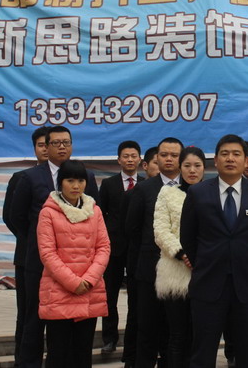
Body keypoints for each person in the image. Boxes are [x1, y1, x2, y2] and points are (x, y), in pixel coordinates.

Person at [180, 134, 248, 368]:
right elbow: (188, 237)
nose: (230, 159)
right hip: (208, 283)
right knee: (202, 353)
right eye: (225, 154)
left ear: (246, 160)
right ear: (216, 160)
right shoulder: (198, 192)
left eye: (236, 154)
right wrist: (205, 262)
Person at [10, 125, 99, 368]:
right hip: (40, 263)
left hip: (76, 267)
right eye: (56, 143)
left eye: (66, 143)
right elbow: (16, 217)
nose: (62, 147)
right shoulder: (29, 177)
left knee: (69, 322)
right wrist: (40, 243)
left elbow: (93, 214)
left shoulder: (86, 176)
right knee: (34, 319)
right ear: (46, 147)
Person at [36, 160, 110, 367]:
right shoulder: (48, 212)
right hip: (59, 290)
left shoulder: (94, 210)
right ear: (60, 183)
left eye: (80, 181)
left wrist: (89, 279)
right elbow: (47, 253)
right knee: (58, 353)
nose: (76, 186)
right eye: (70, 181)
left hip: (89, 288)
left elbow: (103, 247)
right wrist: (73, 282)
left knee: (83, 352)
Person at [126, 137, 184, 368]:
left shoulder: (191, 187)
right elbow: (131, 229)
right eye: (164, 155)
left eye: (174, 155)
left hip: (180, 271)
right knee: (147, 328)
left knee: (175, 329)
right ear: (156, 158)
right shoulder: (144, 189)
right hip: (149, 270)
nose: (168, 159)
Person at [153, 146, 206, 368]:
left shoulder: (211, 193)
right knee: (177, 335)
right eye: (187, 165)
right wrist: (182, 254)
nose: (192, 170)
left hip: (205, 272)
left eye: (197, 166)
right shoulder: (167, 193)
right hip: (175, 274)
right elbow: (161, 230)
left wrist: (201, 256)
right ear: (180, 167)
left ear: (204, 168)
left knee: (201, 335)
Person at [2, 125, 49, 368]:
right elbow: (12, 216)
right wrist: (32, 239)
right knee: (28, 312)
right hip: (28, 256)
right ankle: (23, 360)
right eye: (41, 145)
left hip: (59, 261)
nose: (45, 149)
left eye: (48, 145)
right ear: (34, 149)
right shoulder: (22, 177)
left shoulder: (67, 178)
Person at [99, 140, 144, 356]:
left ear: (140, 159)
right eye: (126, 156)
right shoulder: (108, 184)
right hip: (113, 248)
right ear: (119, 160)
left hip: (137, 248)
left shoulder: (145, 184)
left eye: (133, 156)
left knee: (137, 295)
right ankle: (109, 338)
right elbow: (100, 215)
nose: (130, 160)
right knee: (110, 294)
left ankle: (134, 338)